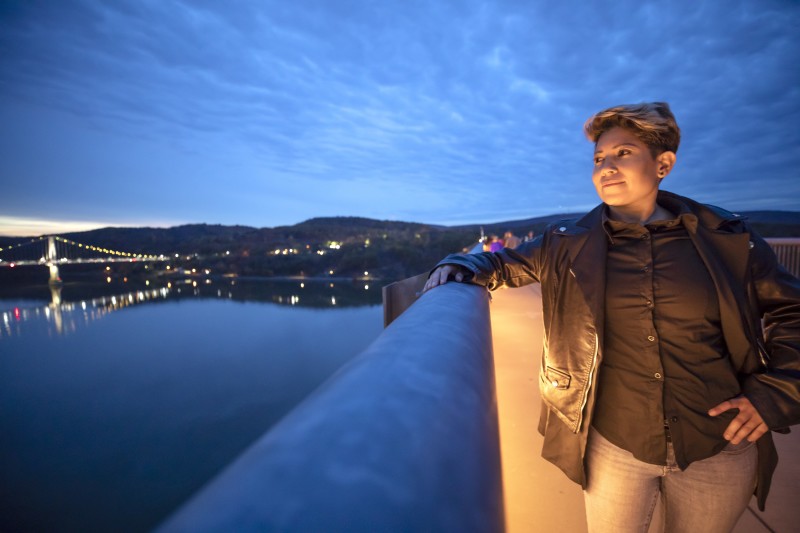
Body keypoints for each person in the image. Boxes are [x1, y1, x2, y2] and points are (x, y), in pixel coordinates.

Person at [423, 102, 800, 532]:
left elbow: (791, 310)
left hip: (719, 443)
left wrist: (776, 394)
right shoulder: (566, 243)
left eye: (623, 153)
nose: (606, 167)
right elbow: (502, 264)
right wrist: (459, 266)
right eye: (599, 159)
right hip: (615, 446)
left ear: (664, 164)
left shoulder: (728, 239)